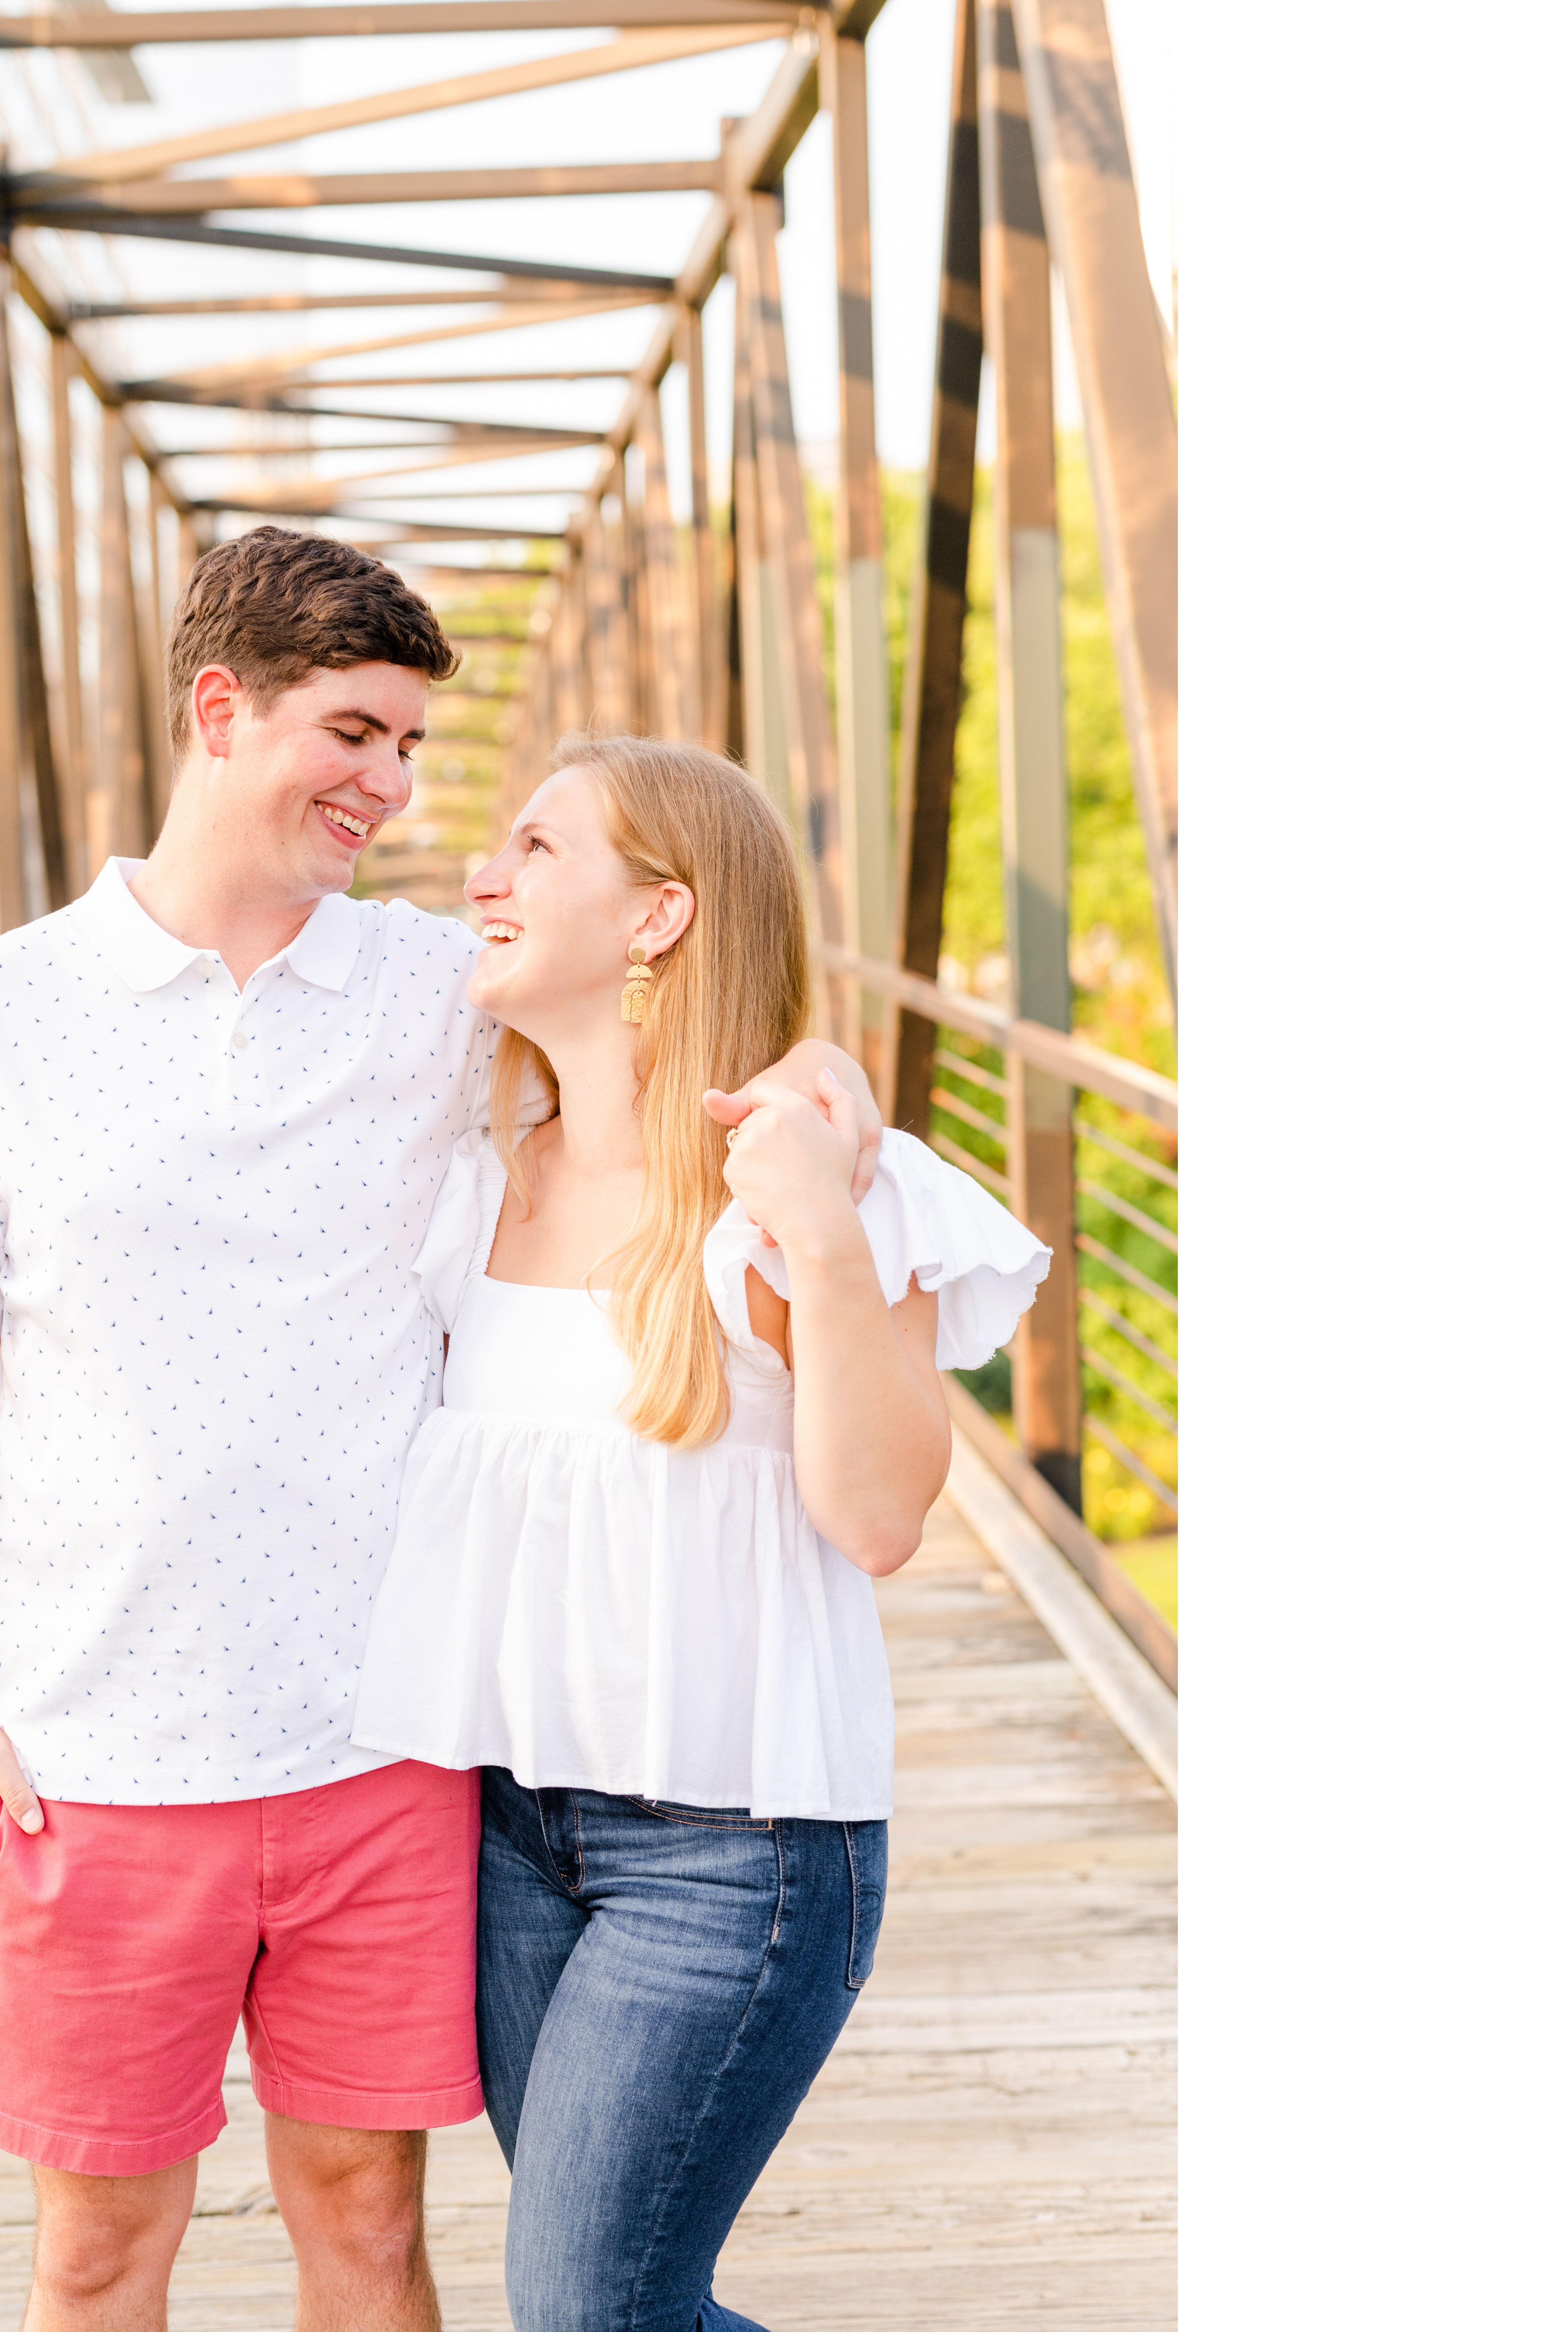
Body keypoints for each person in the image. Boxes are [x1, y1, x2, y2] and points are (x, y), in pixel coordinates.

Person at [0, 531, 884, 2332]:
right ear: (219, 708)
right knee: (95, 2258)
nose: (393, 789)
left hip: (387, 1754)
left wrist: (827, 1086)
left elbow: (672, 1043)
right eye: (356, 734)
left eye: (412, 746)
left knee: (372, 2231)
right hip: (96, 1757)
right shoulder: (6, 1010)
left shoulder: (436, 996)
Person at [352, 734, 1053, 2332]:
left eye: (536, 847)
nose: (482, 875)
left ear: (659, 916)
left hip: (737, 1858)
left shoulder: (801, 1192)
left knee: (592, 2308)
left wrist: (819, 1231)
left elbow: (881, 1517)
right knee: (628, 2304)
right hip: (514, 1838)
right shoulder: (474, 1182)